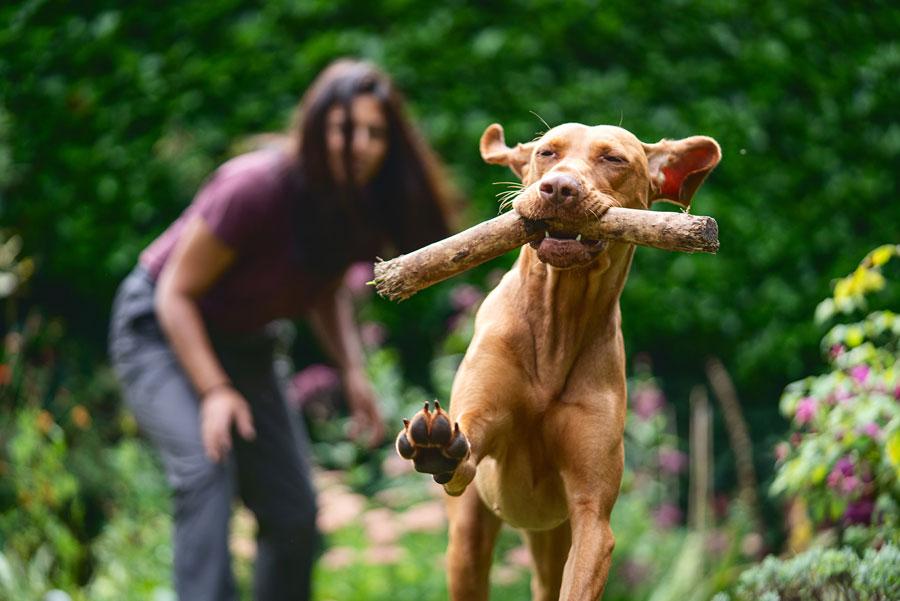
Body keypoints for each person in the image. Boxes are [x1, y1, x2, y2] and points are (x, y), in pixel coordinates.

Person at [108, 58, 456, 601]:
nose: (361, 144)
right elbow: (175, 292)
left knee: (293, 509)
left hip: (247, 345)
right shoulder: (254, 186)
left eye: (376, 132)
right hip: (160, 329)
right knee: (204, 468)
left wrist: (353, 372)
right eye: (346, 129)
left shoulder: (356, 206)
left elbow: (324, 290)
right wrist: (215, 391)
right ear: (317, 128)